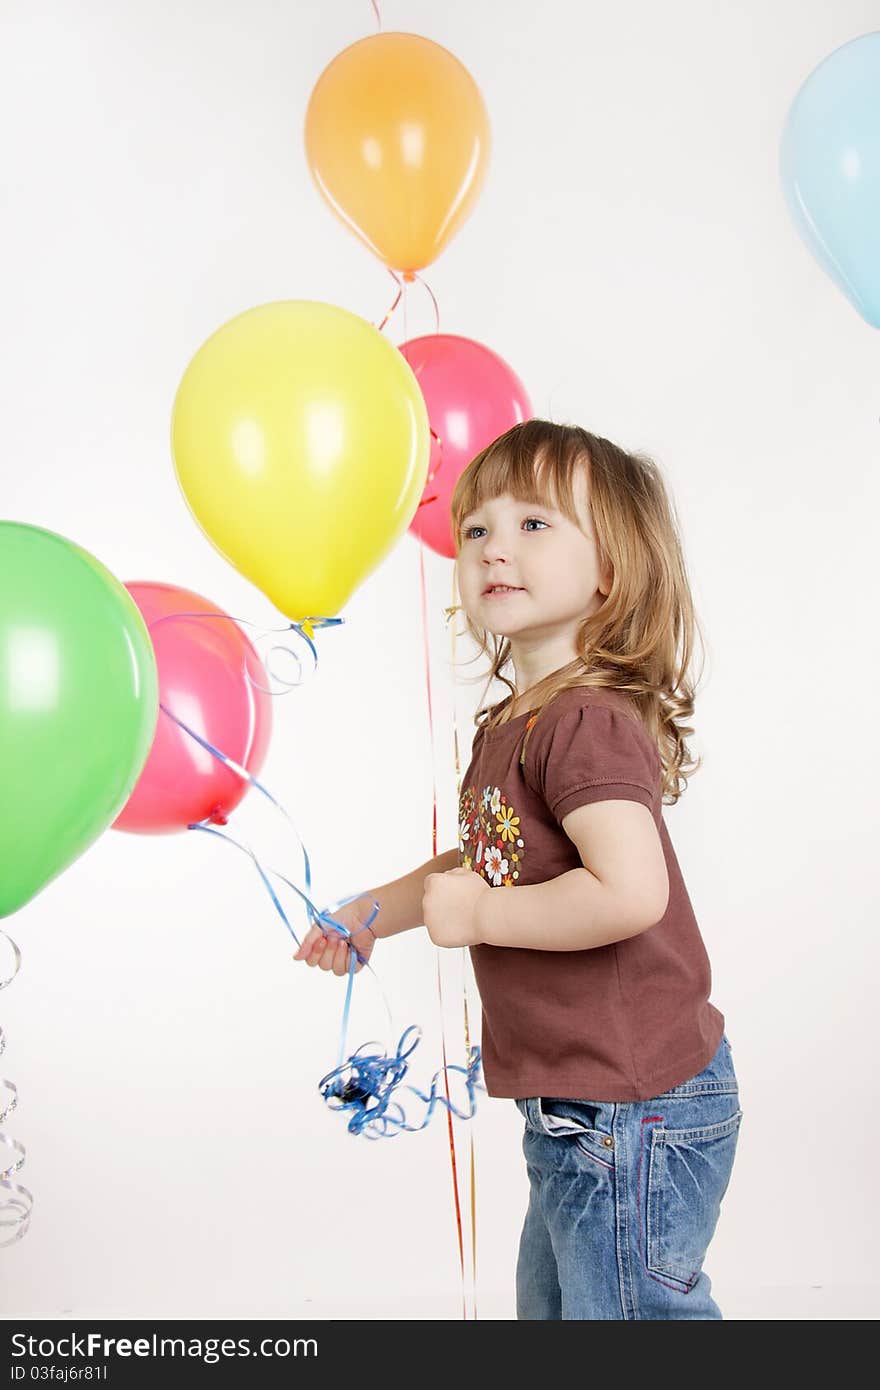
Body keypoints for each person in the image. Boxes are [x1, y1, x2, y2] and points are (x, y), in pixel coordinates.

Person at [293, 419, 742, 1321]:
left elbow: (628, 892)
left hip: (632, 1107)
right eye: (476, 529)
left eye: (535, 524)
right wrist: (379, 909)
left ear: (611, 568)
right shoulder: (521, 720)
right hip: (581, 1105)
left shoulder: (585, 720)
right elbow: (495, 859)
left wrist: (484, 919)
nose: (496, 546)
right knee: (556, 1313)